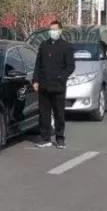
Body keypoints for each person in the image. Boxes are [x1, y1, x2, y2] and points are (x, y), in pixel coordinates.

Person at [32, 20, 75, 149]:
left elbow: (70, 66)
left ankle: (60, 138)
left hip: (58, 86)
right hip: (44, 85)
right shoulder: (44, 45)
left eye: (55, 29)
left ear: (60, 31)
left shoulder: (66, 46)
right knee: (44, 113)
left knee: (59, 113)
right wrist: (35, 80)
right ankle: (45, 138)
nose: (53, 32)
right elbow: (38, 64)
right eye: (51, 29)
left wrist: (61, 77)